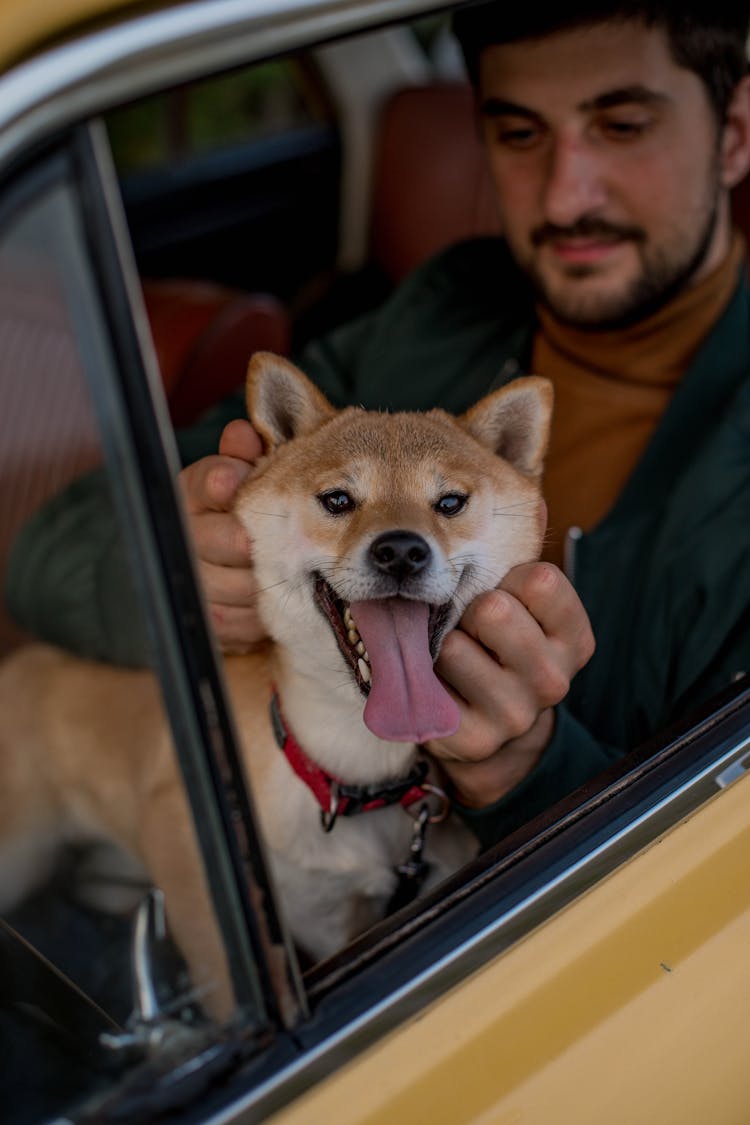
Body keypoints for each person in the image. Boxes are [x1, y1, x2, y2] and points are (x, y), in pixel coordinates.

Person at [6, 1, 750, 850]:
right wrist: (174, 578)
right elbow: (48, 544)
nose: (566, 192)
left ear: (733, 132)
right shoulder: (438, 312)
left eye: (621, 125)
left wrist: (530, 774)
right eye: (518, 134)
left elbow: (712, 909)